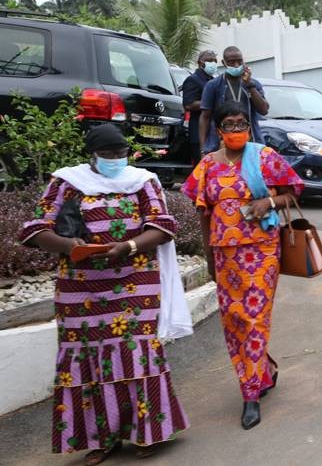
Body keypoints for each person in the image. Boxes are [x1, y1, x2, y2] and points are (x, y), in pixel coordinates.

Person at [19, 124, 190, 465]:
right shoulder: (67, 183)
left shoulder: (142, 181)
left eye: (121, 154)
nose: (116, 160)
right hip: (79, 288)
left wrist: (127, 245)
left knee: (136, 353)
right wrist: (70, 246)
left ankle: (147, 432)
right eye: (109, 155)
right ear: (93, 155)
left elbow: (163, 225)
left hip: (134, 283)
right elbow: (36, 229)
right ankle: (101, 437)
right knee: (88, 359)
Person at [182, 101, 303, 430]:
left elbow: (293, 191)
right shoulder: (207, 165)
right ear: (219, 130)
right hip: (225, 256)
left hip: (262, 251)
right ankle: (263, 370)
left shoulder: (263, 157)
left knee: (254, 318)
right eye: (230, 124)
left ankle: (249, 393)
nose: (236, 130)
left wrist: (269, 200)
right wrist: (209, 258)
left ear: (249, 125)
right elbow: (202, 213)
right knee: (235, 321)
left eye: (241, 123)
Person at [198, 46, 270, 154]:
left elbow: (264, 110)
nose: (236, 65)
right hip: (222, 143)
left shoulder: (253, 83)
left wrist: (250, 85)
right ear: (224, 62)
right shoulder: (213, 85)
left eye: (239, 61)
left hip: (250, 142)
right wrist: (203, 149)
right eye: (231, 62)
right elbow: (205, 117)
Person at [183, 50, 218, 163]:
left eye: (214, 61)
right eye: (209, 60)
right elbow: (189, 104)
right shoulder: (193, 79)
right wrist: (210, 101)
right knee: (201, 167)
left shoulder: (213, 80)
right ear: (200, 63)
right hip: (198, 133)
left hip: (212, 132)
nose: (213, 63)